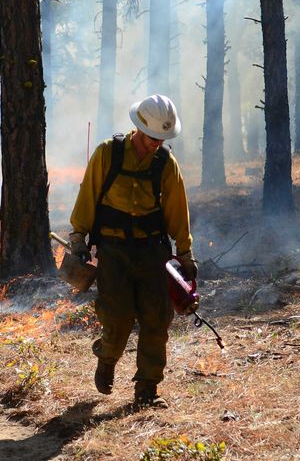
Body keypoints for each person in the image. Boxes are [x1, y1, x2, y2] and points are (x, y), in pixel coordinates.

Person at [68, 94, 196, 408]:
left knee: (156, 319)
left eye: (162, 138)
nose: (157, 143)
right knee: (118, 316)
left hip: (153, 252)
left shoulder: (166, 164)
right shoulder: (107, 154)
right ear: (139, 128)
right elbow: (88, 196)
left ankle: (147, 389)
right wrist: (78, 239)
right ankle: (107, 356)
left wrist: (185, 253)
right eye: (153, 137)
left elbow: (178, 210)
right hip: (114, 251)